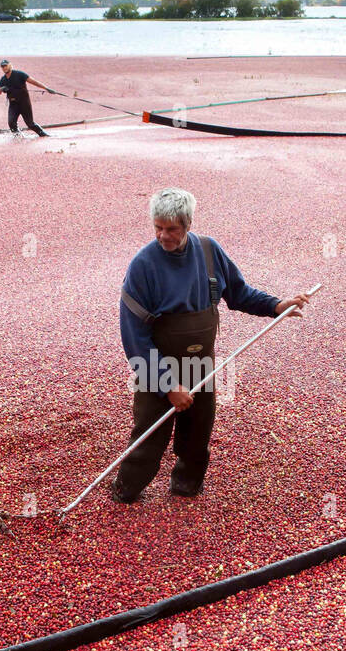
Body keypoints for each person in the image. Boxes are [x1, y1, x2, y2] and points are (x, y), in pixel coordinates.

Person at [112, 188, 311, 503]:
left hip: (201, 363)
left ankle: (187, 485)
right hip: (158, 364)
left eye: (171, 229)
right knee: (149, 434)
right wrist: (167, 385)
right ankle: (126, 489)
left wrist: (276, 305)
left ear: (188, 224)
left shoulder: (209, 252)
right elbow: (134, 338)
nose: (163, 235)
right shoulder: (143, 266)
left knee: (197, 433)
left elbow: (240, 293)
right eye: (158, 227)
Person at [0, 59, 50, 137]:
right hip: (13, 104)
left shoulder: (19, 74)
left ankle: (44, 135)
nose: (4, 68)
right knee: (11, 123)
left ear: (10, 65)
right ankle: (19, 137)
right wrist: (2, 88)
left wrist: (46, 88)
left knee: (30, 124)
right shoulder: (3, 79)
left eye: (5, 66)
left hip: (24, 103)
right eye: (2, 67)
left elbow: (34, 82)